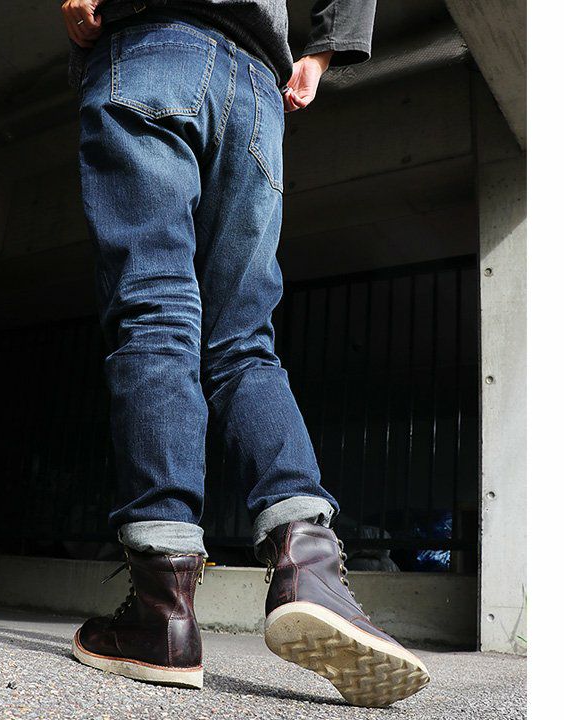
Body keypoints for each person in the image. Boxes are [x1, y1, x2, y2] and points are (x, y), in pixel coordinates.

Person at [61, 0, 430, 707]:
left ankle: (162, 612)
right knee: (243, 342)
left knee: (157, 314)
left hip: (152, 47)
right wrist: (321, 54)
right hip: (259, 89)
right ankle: (307, 560)